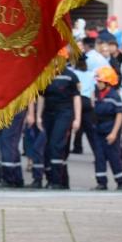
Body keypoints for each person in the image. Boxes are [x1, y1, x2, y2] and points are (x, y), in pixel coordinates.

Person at [36, 52, 81, 189]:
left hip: (64, 114)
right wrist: (38, 116)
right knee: (48, 146)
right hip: (48, 114)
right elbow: (42, 97)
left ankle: (57, 181)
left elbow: (76, 98)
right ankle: (50, 179)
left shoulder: (71, 76)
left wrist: (77, 119)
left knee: (56, 145)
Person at [89, 66, 122, 191]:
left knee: (114, 157)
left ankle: (121, 182)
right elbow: (93, 106)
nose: (98, 83)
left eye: (100, 81)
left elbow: (119, 114)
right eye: (97, 81)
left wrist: (114, 133)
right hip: (98, 130)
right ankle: (101, 183)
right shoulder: (96, 93)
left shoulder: (114, 96)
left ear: (107, 83)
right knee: (99, 157)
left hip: (110, 130)